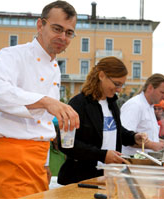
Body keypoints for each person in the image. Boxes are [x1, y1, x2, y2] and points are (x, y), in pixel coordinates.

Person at [0, 1, 79, 198]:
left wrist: (46, 162)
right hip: (10, 163)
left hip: (38, 163)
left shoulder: (55, 68)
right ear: (40, 25)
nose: (63, 37)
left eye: (69, 32)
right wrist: (46, 101)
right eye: (57, 29)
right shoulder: (14, 55)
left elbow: (41, 125)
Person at [57, 57, 148, 185]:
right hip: (80, 179)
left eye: (122, 85)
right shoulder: (78, 104)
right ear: (101, 76)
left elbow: (114, 130)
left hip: (108, 177)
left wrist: (133, 137)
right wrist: (102, 155)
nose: (119, 90)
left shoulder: (112, 104)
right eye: (116, 84)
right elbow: (66, 144)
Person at [120, 73, 164, 155]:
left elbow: (149, 136)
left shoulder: (149, 107)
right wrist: (153, 145)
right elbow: (123, 137)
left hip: (141, 163)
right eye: (162, 92)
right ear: (150, 88)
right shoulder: (135, 105)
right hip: (132, 163)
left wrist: (162, 143)